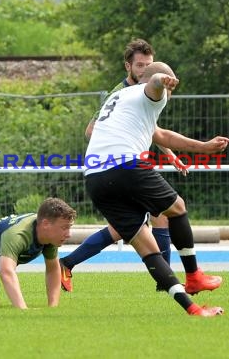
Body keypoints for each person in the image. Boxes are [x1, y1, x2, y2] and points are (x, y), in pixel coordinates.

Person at [83, 61, 229, 317]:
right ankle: (194, 276)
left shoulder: (120, 97)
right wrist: (162, 80)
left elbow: (161, 135)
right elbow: (153, 84)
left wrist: (205, 147)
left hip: (95, 177)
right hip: (125, 164)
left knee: (148, 248)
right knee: (177, 208)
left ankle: (194, 309)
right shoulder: (153, 93)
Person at [59, 39, 186, 292]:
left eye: (149, 65)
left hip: (133, 165)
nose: (145, 70)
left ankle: (68, 262)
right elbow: (90, 129)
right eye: (140, 65)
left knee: (124, 228)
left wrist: (170, 154)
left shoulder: (150, 88)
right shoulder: (121, 93)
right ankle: (166, 281)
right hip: (119, 166)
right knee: (162, 215)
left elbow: (152, 128)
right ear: (128, 65)